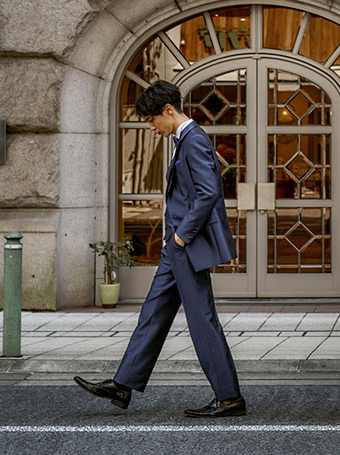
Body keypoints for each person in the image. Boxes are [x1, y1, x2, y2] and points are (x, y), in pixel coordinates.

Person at [74, 81, 245, 418]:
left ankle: (229, 398)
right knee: (153, 313)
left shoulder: (194, 140)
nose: (151, 127)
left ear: (169, 110)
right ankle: (123, 385)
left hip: (185, 245)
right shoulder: (185, 140)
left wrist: (182, 235)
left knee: (201, 319)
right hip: (176, 248)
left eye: (152, 120)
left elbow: (209, 192)